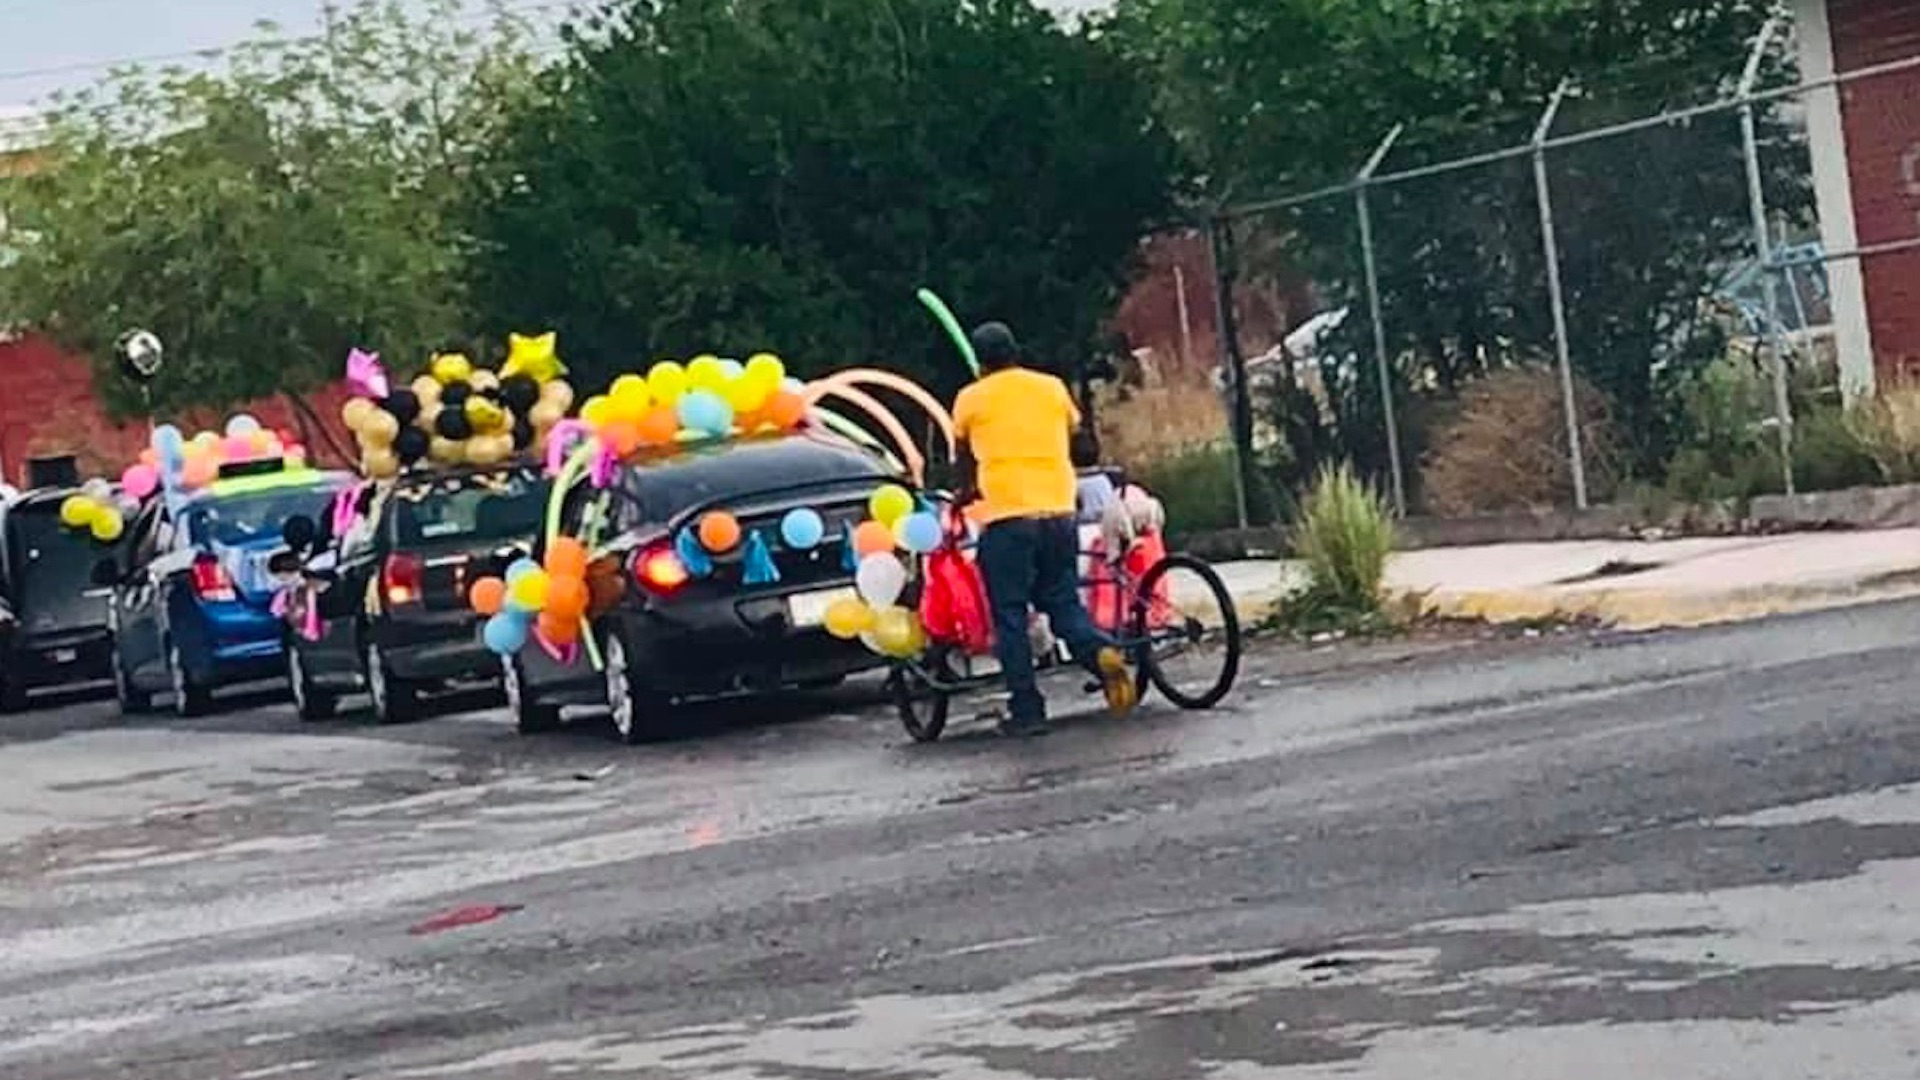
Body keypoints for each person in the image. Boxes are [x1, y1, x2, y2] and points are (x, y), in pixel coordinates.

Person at [952, 321, 1136, 738]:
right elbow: (1078, 441)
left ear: (981, 362)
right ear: (1016, 351)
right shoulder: (1051, 387)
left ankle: (1028, 709)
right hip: (1058, 511)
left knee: (1011, 613)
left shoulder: (969, 399)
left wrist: (967, 491)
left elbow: (963, 457)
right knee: (1061, 599)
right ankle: (1099, 649)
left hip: (1006, 518)